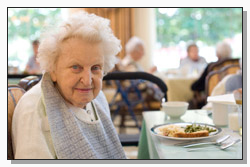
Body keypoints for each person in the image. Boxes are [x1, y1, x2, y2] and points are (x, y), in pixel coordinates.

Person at [12, 11, 126, 159]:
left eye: (95, 68)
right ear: (52, 70)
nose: (87, 80)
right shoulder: (35, 108)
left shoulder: (98, 99)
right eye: (75, 67)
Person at [189, 41, 233, 109]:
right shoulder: (237, 65)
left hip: (214, 101)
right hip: (234, 101)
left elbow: (198, 86)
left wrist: (192, 86)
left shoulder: (212, 66)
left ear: (217, 54)